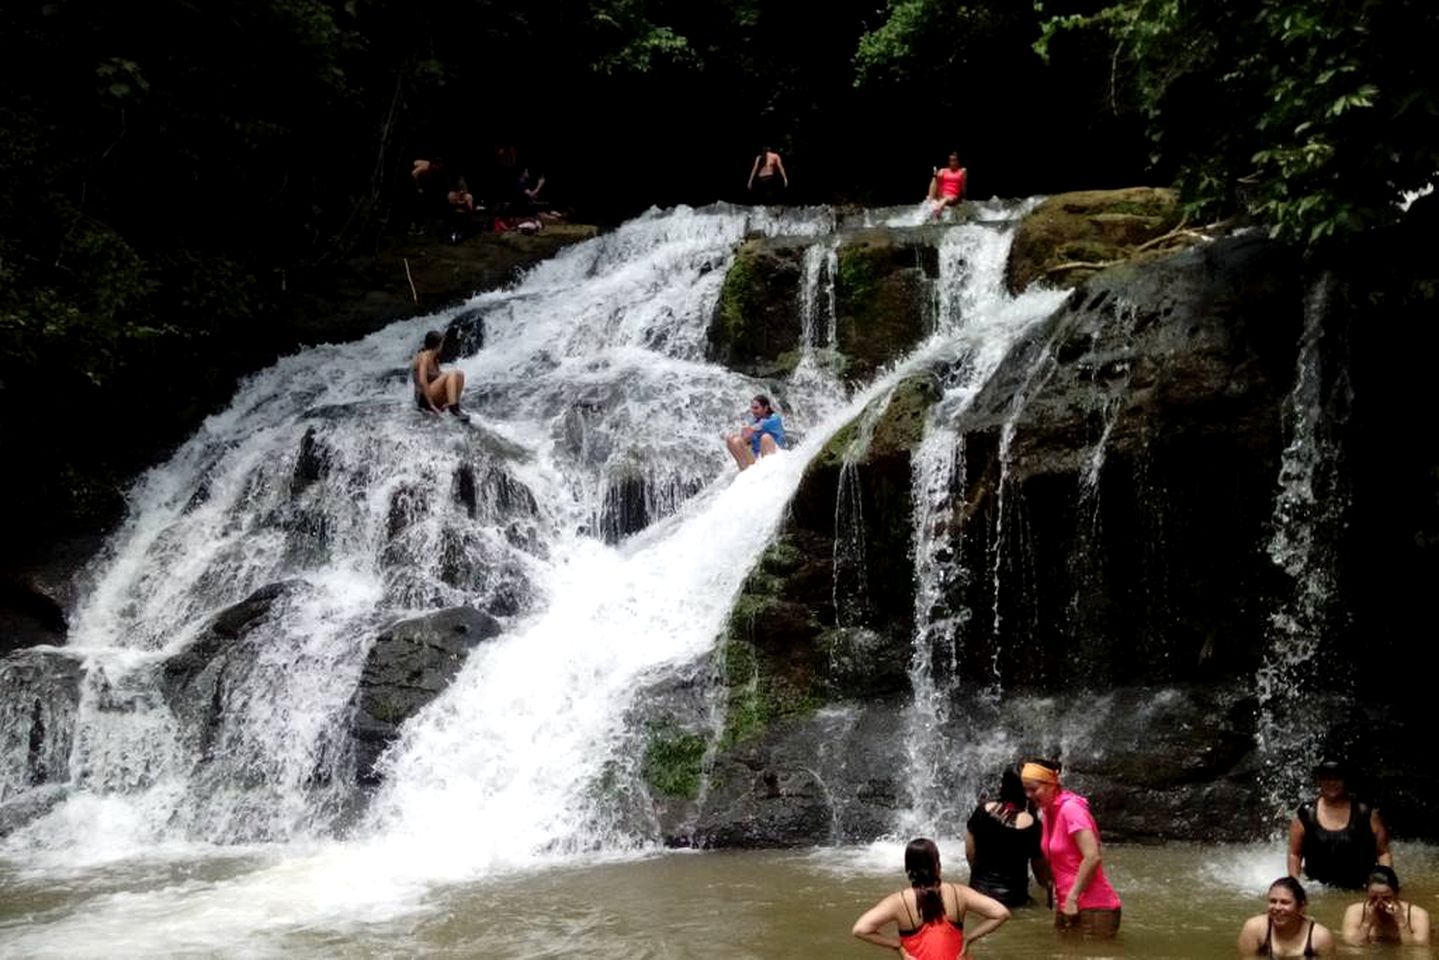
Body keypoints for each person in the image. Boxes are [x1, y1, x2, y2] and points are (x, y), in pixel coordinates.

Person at [852, 837, 1010, 959]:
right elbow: (1001, 913)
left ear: (909, 868)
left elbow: (860, 929)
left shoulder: (898, 901)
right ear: (937, 864)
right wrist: (968, 939)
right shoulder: (959, 893)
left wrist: (897, 946)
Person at [1019, 758, 1122, 937]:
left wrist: (1073, 897)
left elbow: (1092, 857)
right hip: (1068, 904)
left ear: (1052, 785)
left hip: (1094, 908)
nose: (1028, 795)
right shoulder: (1049, 811)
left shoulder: (1071, 810)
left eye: (1033, 789)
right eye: (1025, 789)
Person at [1288, 759, 1391, 889]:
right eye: (1326, 779)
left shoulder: (1365, 813)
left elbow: (1383, 853)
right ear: (1319, 781)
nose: (1332, 783)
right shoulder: (1305, 814)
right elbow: (1294, 854)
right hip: (1318, 889)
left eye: (1337, 779)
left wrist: (1386, 884)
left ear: (1345, 781)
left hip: (1361, 887)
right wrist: (1294, 887)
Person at [965, 765, 1051, 907]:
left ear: (1003, 785)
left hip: (978, 895)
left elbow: (969, 853)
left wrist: (979, 879)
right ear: (1025, 790)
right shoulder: (1034, 825)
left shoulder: (981, 811)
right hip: (1013, 900)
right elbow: (1040, 873)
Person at [1237, 876, 1336, 957]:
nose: (1277, 907)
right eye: (1273, 901)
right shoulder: (1254, 929)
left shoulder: (1320, 937)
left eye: (1285, 902)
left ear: (1301, 906)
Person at [1341, 865, 1430, 946]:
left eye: (1386, 898)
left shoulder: (1418, 915)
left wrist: (1402, 922)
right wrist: (1366, 923)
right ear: (1366, 892)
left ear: (1397, 893)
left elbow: (1416, 951)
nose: (1380, 903)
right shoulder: (1354, 912)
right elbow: (1353, 947)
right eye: (1374, 898)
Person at [411, 330, 466, 417]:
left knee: (459, 374)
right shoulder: (423, 357)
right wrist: (432, 405)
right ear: (438, 345)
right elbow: (422, 381)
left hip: (432, 394)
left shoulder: (435, 359)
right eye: (442, 344)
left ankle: (454, 404)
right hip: (424, 400)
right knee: (452, 373)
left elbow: (440, 377)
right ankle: (453, 408)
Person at [723, 395, 784, 471]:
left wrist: (751, 429)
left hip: (774, 461)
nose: (753, 411)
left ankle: (768, 472)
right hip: (756, 462)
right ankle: (746, 472)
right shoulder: (753, 421)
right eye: (752, 408)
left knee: (766, 438)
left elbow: (762, 425)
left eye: (756, 408)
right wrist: (743, 439)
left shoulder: (775, 418)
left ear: (765, 408)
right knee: (733, 440)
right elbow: (747, 439)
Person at [927, 152, 967, 219]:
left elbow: (963, 187)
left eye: (954, 160)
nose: (952, 162)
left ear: (958, 161)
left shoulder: (962, 171)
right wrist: (936, 175)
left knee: (946, 199)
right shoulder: (943, 170)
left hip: (953, 196)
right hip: (943, 195)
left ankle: (936, 211)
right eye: (951, 160)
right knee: (935, 177)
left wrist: (962, 198)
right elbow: (939, 185)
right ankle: (933, 205)